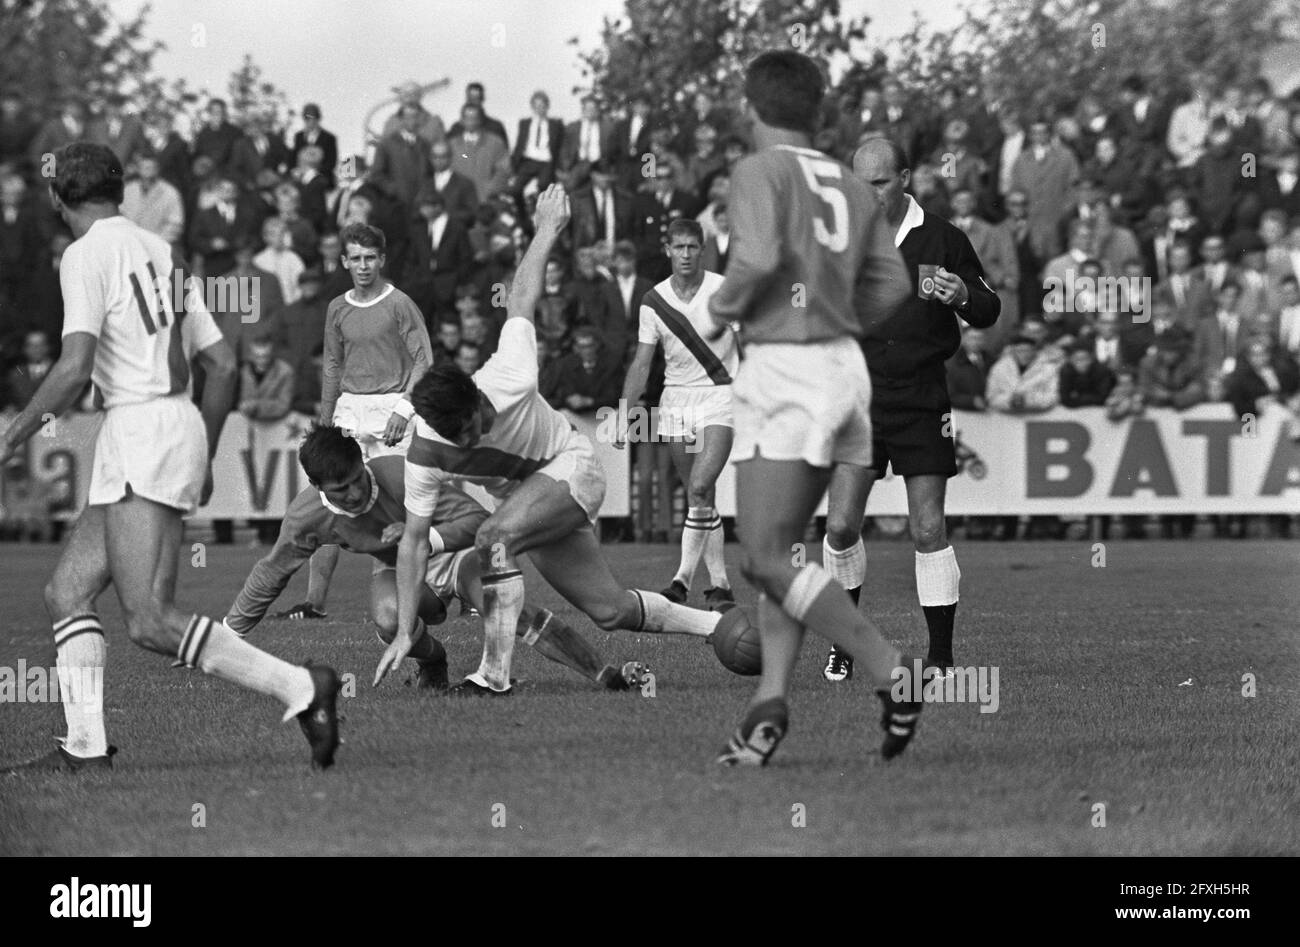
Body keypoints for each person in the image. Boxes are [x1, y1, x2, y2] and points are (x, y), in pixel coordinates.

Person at [0, 142, 338, 773]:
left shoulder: (83, 254)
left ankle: (301, 687)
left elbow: (74, 367)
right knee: (66, 590)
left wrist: (14, 435)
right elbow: (224, 364)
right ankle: (84, 748)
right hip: (170, 422)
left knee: (150, 620)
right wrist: (202, 450)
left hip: (139, 428)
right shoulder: (164, 252)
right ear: (121, 192)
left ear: (56, 199)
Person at [375, 184, 724, 696]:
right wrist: (406, 630)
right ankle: (717, 627)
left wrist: (546, 230)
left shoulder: (510, 374)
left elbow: (521, 297)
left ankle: (492, 677)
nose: (472, 438)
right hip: (529, 498)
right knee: (610, 610)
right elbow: (411, 542)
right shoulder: (425, 451)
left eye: (474, 424)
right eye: (460, 437)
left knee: (493, 538)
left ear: (476, 394)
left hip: (571, 466)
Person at [705, 51, 917, 766]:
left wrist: (722, 308)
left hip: (786, 370)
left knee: (763, 556)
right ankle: (769, 708)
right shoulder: (852, 185)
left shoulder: (758, 171)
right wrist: (832, 316)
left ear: (749, 106)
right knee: (784, 554)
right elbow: (893, 285)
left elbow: (758, 258)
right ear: (818, 112)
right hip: (845, 369)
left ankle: (889, 666)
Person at [226, 425, 647, 691]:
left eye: (357, 480)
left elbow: (477, 519)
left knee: (505, 608)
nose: (354, 494)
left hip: (456, 555)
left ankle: (604, 674)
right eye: (341, 491)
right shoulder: (306, 518)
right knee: (390, 620)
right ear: (318, 487)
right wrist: (226, 637)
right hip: (402, 570)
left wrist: (422, 535)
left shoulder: (397, 473)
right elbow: (272, 572)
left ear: (363, 464)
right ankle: (434, 662)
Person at [819, 136, 1000, 685]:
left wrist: (961, 294)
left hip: (922, 395)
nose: (865, 193)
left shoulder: (944, 238)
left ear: (903, 179)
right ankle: (845, 645)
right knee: (841, 525)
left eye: (876, 182)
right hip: (858, 397)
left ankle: (941, 658)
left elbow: (990, 307)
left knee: (927, 528)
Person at [618, 217, 735, 609]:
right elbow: (641, 363)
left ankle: (681, 580)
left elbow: (751, 343)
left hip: (720, 396)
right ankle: (720, 585)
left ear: (702, 250)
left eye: (692, 247)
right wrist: (625, 412)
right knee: (699, 496)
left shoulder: (724, 290)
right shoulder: (653, 301)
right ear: (668, 250)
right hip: (675, 404)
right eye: (678, 247)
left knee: (701, 487)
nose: (685, 254)